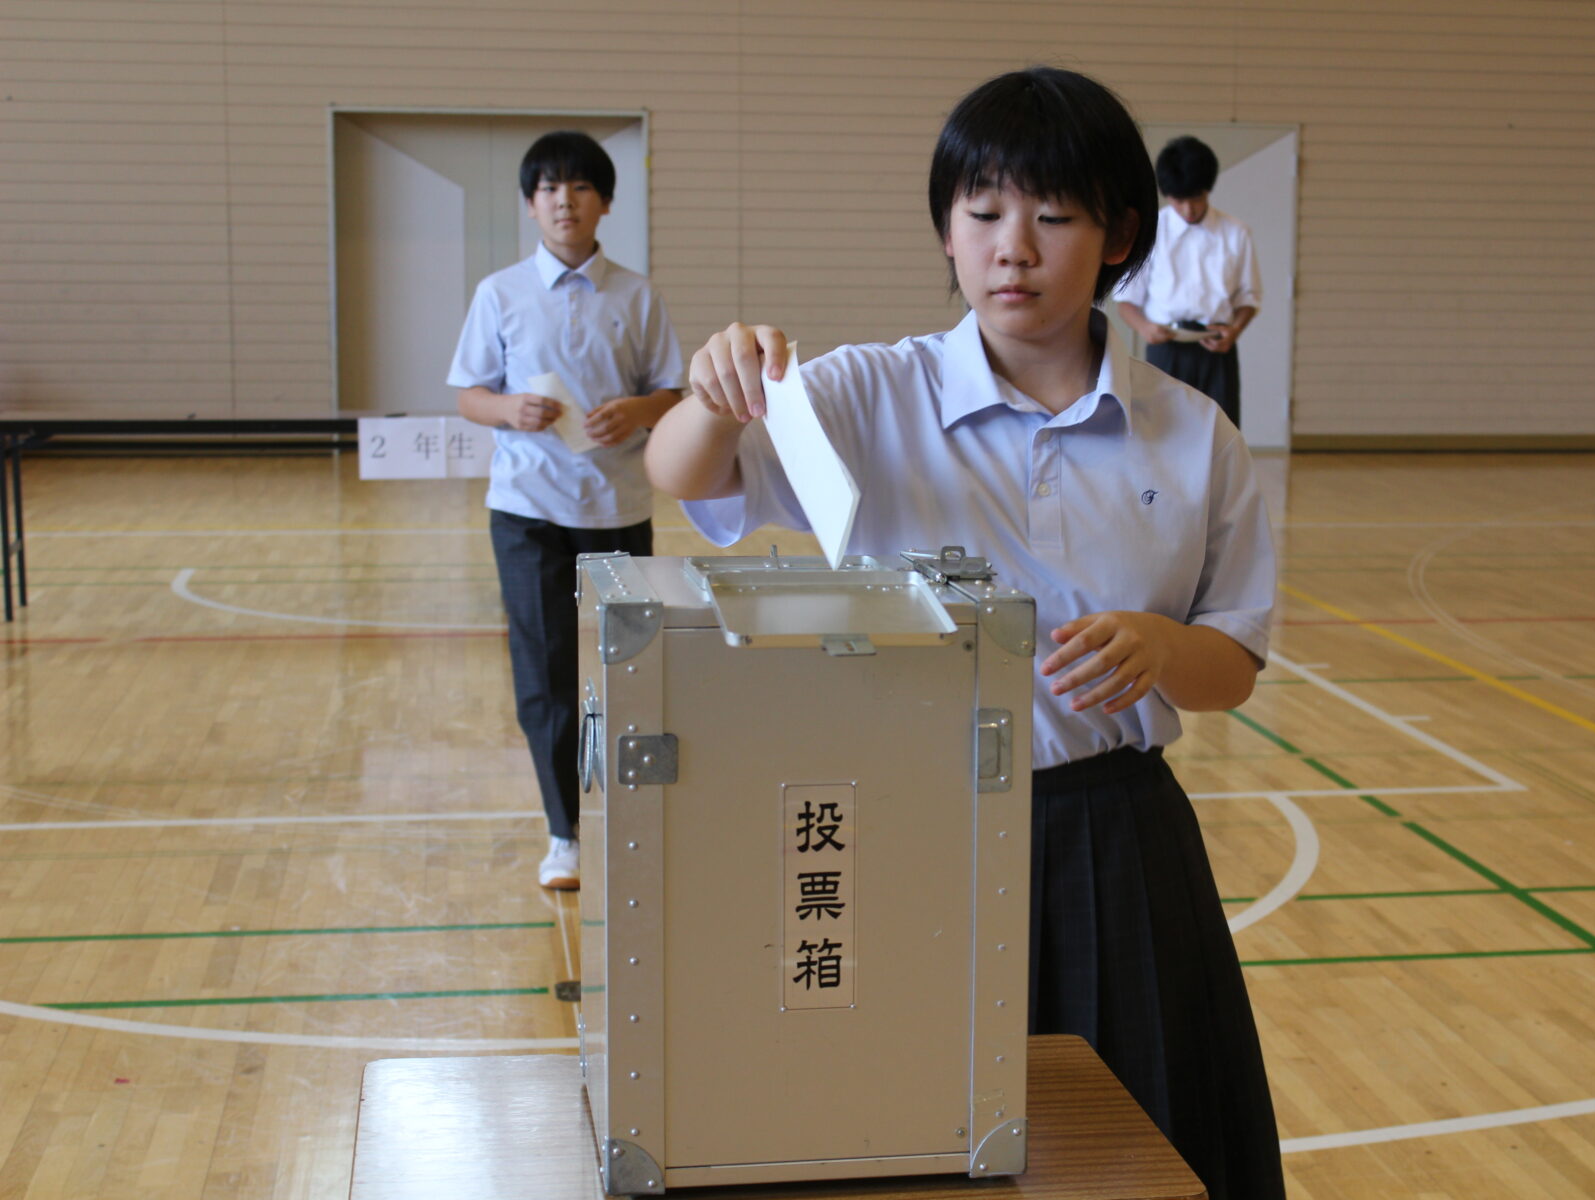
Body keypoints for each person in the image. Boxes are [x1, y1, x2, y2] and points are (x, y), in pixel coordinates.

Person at [646, 68, 1285, 1199]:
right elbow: (690, 476)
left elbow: (1230, 663)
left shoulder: (1192, 436)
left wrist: (1156, 643)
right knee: (900, 1137)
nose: (1014, 250)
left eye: (1053, 216)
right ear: (946, 229)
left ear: (1118, 233)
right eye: (983, 214)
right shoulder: (865, 393)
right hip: (908, 825)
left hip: (1112, 843)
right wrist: (708, 391)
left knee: (1132, 1146)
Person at [448, 130, 684, 888]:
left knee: (627, 671)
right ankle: (567, 832)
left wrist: (637, 412)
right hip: (527, 513)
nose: (563, 200)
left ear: (605, 203)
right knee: (546, 675)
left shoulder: (637, 294)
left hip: (617, 505)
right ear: (529, 205)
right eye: (548, 188)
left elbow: (672, 393)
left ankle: (632, 816)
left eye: (579, 187)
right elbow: (467, 393)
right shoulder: (500, 294)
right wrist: (507, 409)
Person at [1114, 136, 1260, 429]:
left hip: (1216, 345)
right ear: (1167, 195)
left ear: (1208, 190)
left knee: (1221, 432)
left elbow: (1248, 298)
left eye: (1196, 198)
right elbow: (1126, 300)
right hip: (1166, 344)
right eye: (1179, 200)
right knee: (1161, 431)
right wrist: (1145, 328)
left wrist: (1235, 330)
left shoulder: (1235, 233)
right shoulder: (1152, 233)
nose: (1188, 209)